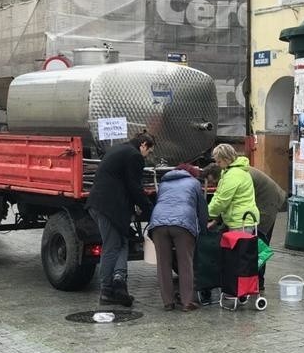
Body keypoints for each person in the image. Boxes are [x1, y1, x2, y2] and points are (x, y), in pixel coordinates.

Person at [86, 132, 155, 307]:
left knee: (122, 242)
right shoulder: (134, 156)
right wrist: (148, 208)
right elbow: (134, 186)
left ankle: (119, 282)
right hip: (109, 207)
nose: (148, 156)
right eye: (150, 151)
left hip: (103, 204)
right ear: (144, 145)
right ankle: (107, 291)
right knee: (112, 246)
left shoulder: (119, 149)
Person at [203, 163, 287, 291]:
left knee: (258, 243)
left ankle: (258, 282)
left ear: (218, 176)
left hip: (267, 202)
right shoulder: (230, 174)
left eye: (213, 182)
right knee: (251, 245)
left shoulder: (233, 178)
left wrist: (214, 218)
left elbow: (228, 201)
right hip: (259, 200)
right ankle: (247, 280)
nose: (213, 186)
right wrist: (216, 220)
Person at [148, 163, 208, 311]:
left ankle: (168, 302)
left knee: (163, 264)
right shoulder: (194, 183)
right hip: (183, 224)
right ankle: (187, 302)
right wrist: (203, 228)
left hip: (158, 223)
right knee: (185, 263)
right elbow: (202, 209)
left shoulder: (163, 183)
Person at [207, 144, 259, 232]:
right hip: (240, 219)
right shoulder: (230, 171)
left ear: (227, 159)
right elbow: (218, 194)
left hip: (240, 222)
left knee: (239, 246)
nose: (217, 165)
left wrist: (206, 214)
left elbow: (222, 200)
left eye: (219, 162)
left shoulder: (233, 175)